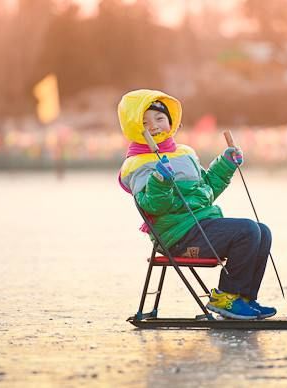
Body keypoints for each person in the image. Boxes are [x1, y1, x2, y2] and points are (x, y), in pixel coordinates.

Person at [117, 89, 276, 320]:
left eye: (160, 119)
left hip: (202, 225)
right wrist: (160, 181)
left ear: (170, 122)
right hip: (178, 236)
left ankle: (243, 299)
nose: (153, 125)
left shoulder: (184, 154)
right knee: (248, 230)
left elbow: (206, 191)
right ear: (134, 128)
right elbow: (153, 206)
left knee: (262, 231)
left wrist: (227, 163)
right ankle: (225, 297)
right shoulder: (137, 164)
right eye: (145, 122)